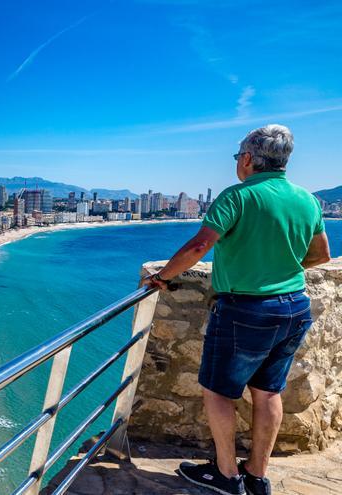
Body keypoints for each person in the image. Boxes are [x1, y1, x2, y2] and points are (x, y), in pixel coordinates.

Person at [142, 124, 331, 495]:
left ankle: (227, 475)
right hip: (294, 307)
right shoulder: (307, 200)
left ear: (247, 159)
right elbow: (322, 254)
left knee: (217, 391)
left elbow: (199, 248)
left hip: (246, 309)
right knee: (268, 392)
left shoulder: (237, 196)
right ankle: (257, 476)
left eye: (237, 157)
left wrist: (162, 277)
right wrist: (280, 269)